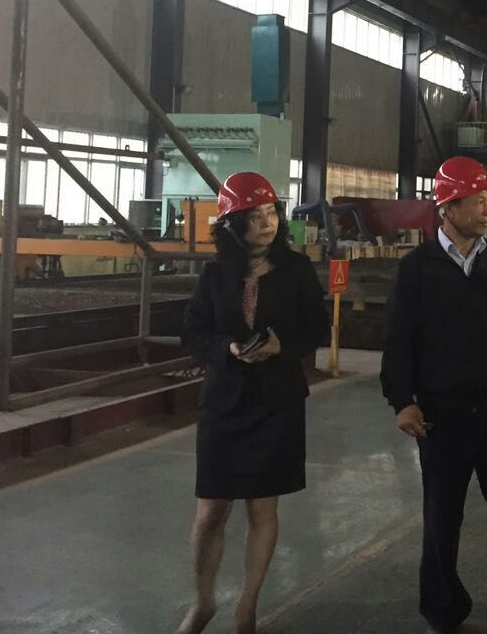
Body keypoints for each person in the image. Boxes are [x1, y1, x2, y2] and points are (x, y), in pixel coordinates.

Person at [381, 156, 487, 634]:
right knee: (441, 516)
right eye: (477, 201)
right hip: (442, 415)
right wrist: (402, 401)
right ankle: (442, 606)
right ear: (447, 208)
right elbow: (399, 341)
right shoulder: (417, 270)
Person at [177, 171, 328, 634]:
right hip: (225, 403)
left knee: (262, 510)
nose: (268, 223)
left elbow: (317, 328)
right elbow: (193, 332)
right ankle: (202, 603)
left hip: (276, 403)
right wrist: (226, 348)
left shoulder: (297, 270)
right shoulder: (215, 274)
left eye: (271, 213)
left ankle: (247, 606)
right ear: (232, 225)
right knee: (210, 512)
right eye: (255, 216)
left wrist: (284, 346)